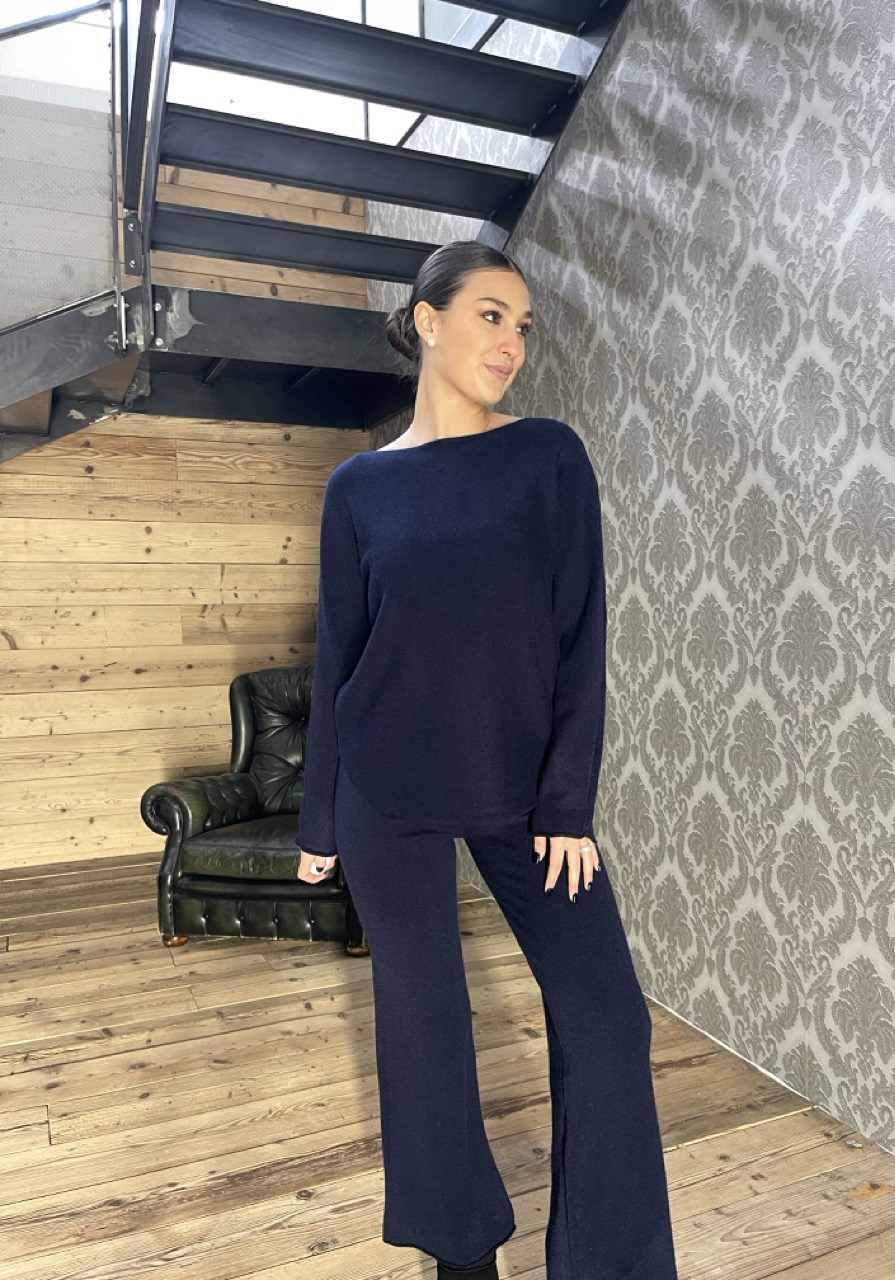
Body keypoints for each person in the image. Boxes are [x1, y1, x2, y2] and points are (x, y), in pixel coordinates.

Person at [295, 241, 679, 1280]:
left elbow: (581, 634)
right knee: (425, 1030)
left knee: (608, 1020)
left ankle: (608, 1264)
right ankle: (461, 1254)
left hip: (524, 795)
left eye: (523, 326)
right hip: (387, 792)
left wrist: (567, 803)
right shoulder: (359, 487)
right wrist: (321, 818)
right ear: (428, 321)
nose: (512, 342)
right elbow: (339, 653)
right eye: (491, 316)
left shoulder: (548, 456)